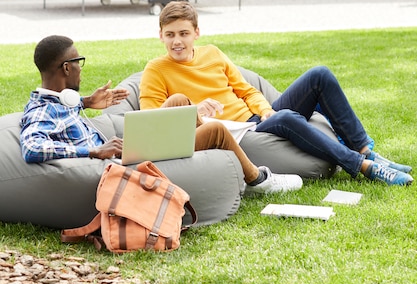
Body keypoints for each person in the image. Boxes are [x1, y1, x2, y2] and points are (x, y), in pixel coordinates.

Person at [139, 1, 413, 187]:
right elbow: (152, 120)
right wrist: (194, 110)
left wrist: (265, 109)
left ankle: (366, 150)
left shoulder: (212, 53)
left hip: (257, 118)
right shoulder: (156, 70)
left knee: (320, 75)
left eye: (184, 33)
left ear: (196, 33)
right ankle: (364, 167)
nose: (177, 41)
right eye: (170, 34)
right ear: (160, 35)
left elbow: (246, 90)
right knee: (290, 118)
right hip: (237, 134)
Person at [20, 35, 302, 195]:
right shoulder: (41, 111)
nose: (82, 68)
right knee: (216, 131)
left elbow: (56, 118)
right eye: (78, 62)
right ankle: (257, 180)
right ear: (67, 68)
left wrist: (85, 101)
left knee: (178, 100)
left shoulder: (57, 102)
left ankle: (201, 149)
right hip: (126, 165)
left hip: (128, 149)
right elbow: (32, 147)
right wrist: (93, 150)